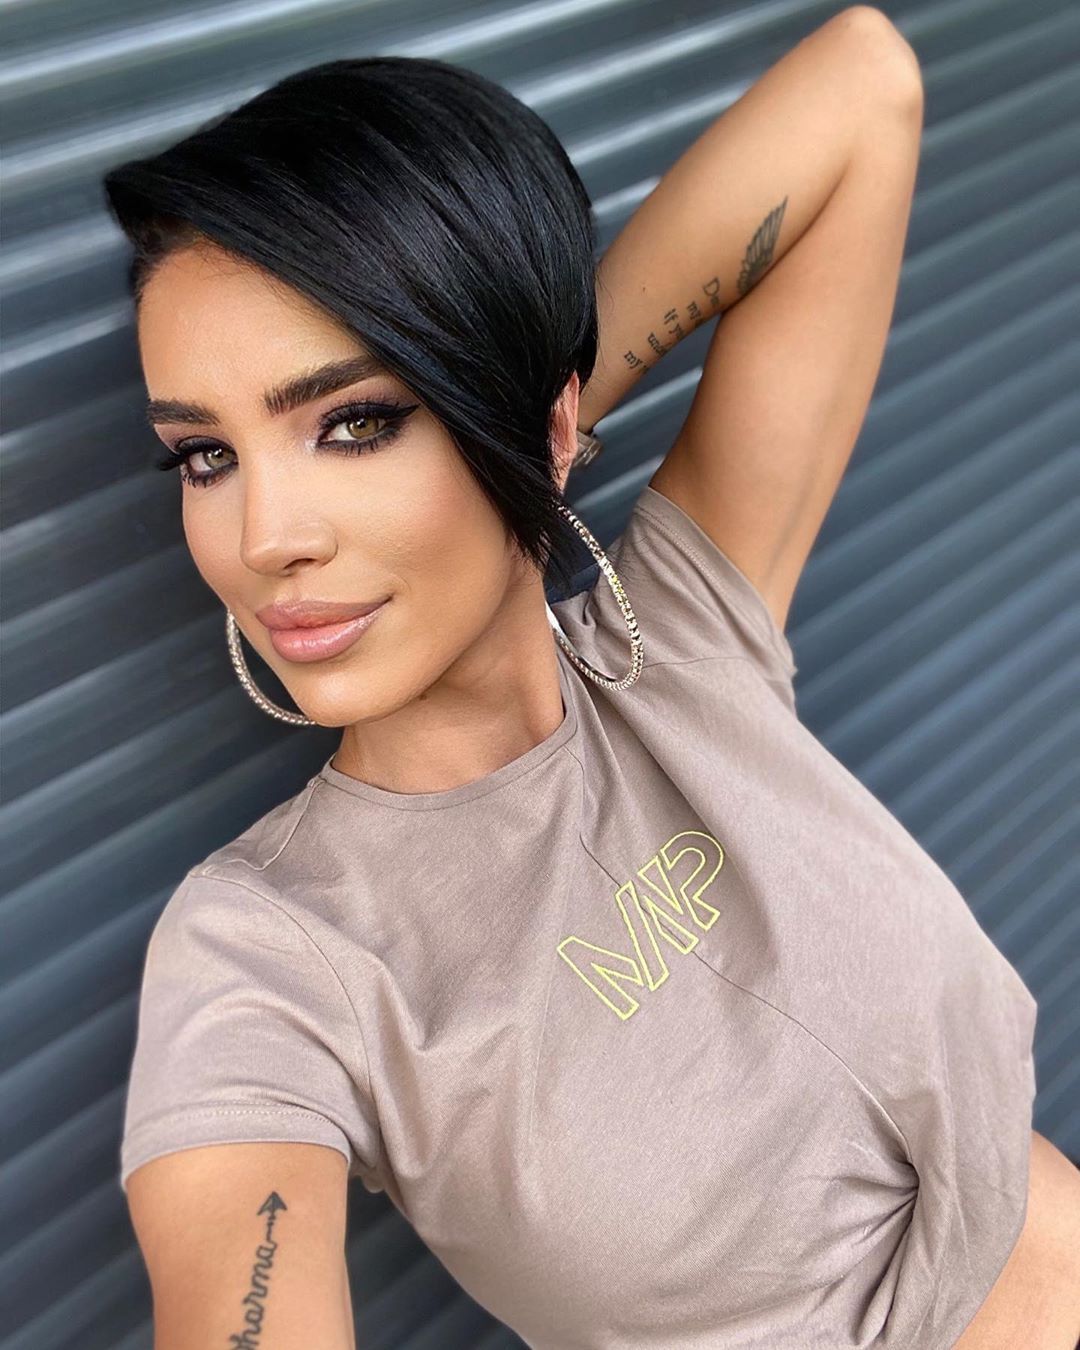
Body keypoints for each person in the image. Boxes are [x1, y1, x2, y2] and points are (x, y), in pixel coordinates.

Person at [104, 19, 1079, 1350]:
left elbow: (866, 82)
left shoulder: (673, 638)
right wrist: (497, 427)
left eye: (357, 420)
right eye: (205, 456)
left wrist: (522, 418)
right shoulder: (268, 953)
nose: (264, 537)